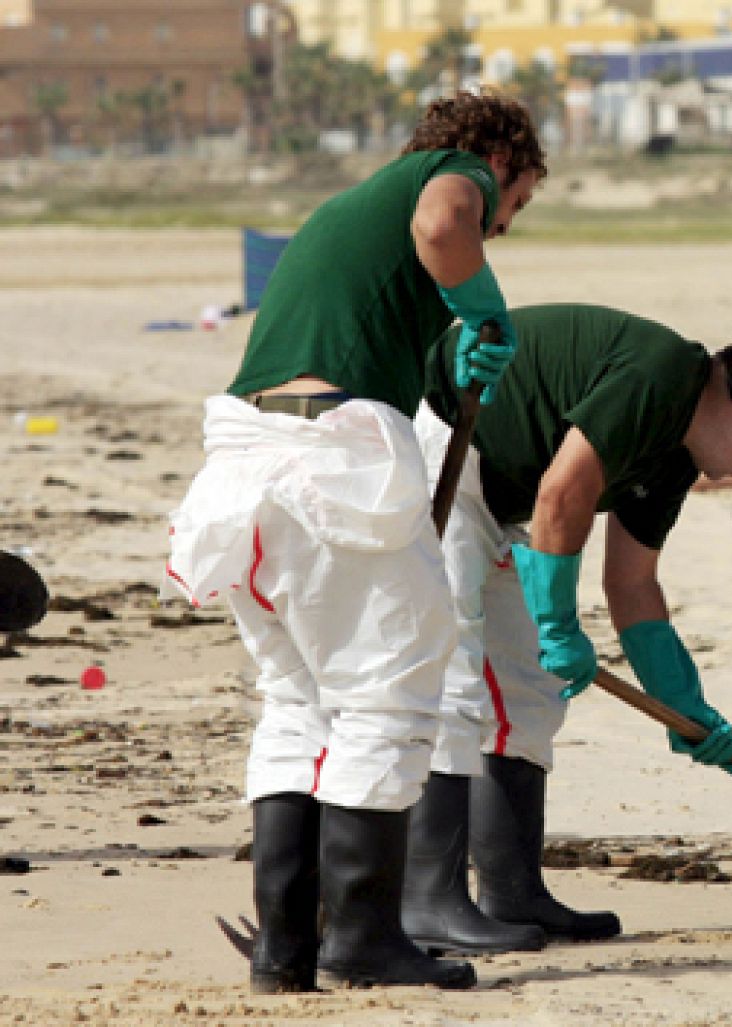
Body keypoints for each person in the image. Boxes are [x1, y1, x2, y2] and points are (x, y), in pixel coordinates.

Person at [164, 91, 544, 993]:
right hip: (328, 461)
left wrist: (453, 349)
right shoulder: (449, 175)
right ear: (501, 162)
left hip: (245, 460)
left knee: (298, 701)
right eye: (518, 204)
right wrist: (487, 309)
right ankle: (366, 939)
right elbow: (447, 224)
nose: (505, 225)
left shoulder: (350, 214)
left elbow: (383, 332)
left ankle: (285, 950)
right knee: (388, 696)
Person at [403, 303, 732, 952]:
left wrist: (682, 705)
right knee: (455, 684)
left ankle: (513, 893)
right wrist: (557, 624)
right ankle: (427, 900)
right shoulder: (661, 376)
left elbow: (631, 583)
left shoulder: (677, 454)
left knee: (531, 691)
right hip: (446, 454)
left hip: (501, 499)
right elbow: (562, 492)